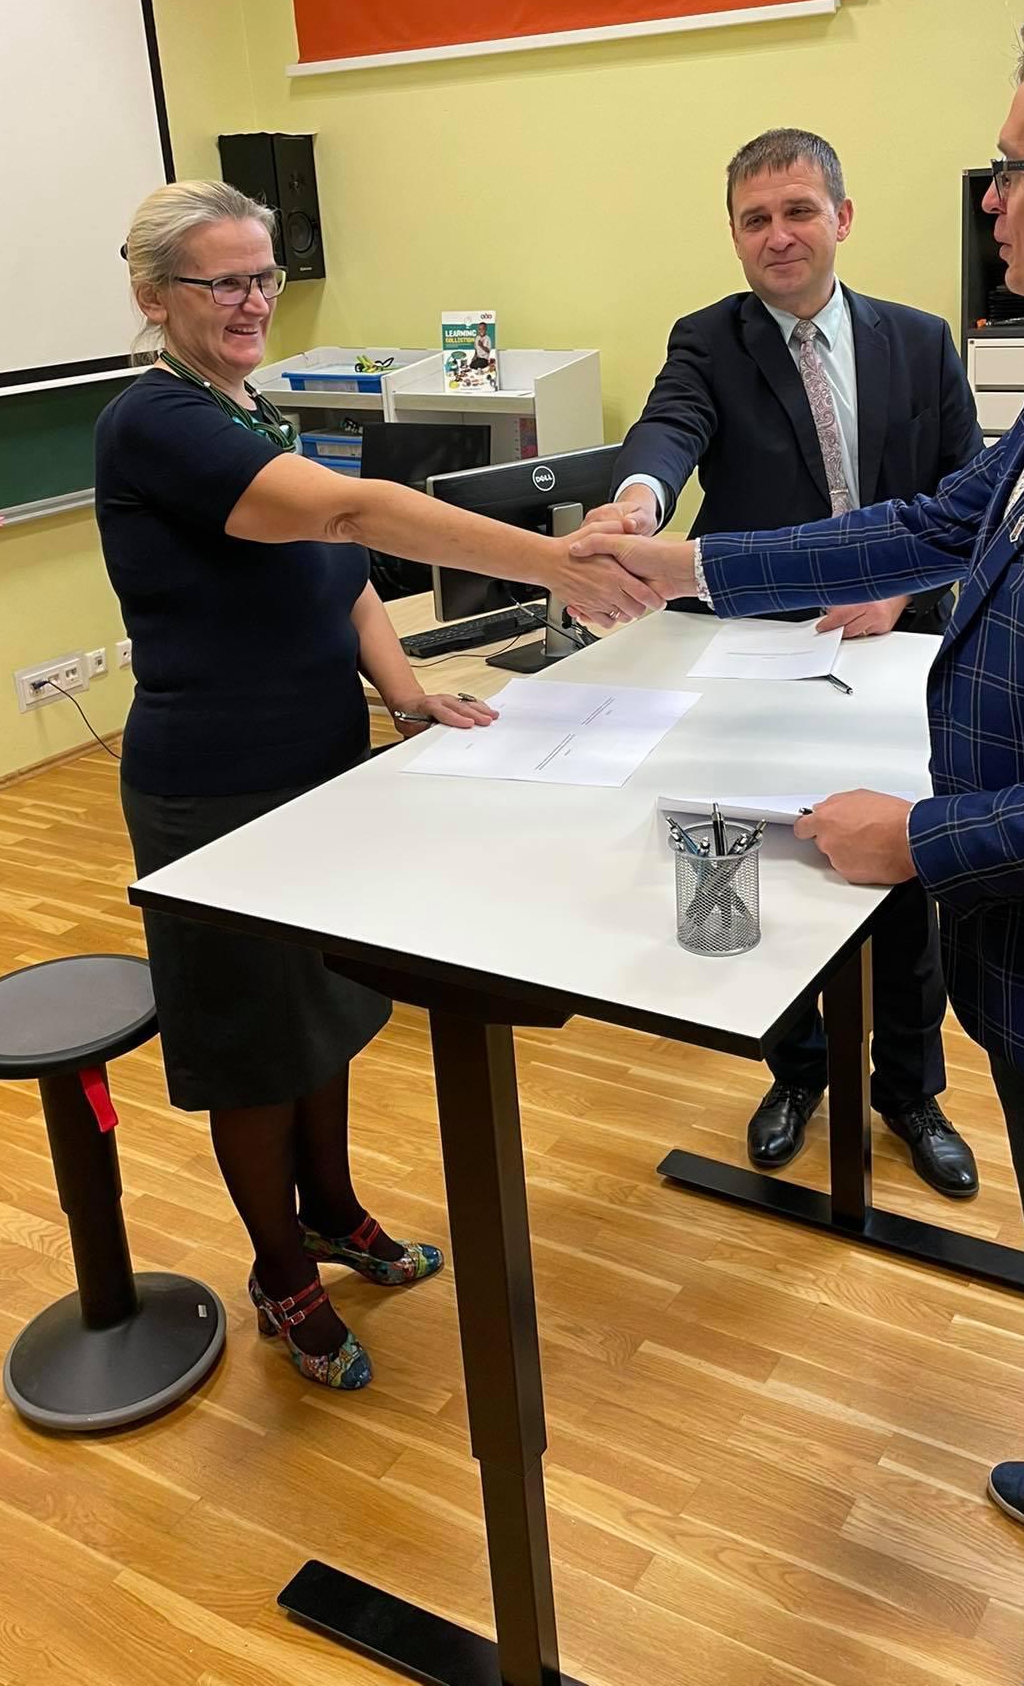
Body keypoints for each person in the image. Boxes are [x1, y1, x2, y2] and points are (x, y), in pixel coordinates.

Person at [575, 1, 1024, 1686]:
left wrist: (917, 839)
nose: (988, 195)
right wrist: (691, 567)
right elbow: (933, 523)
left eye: (1012, 165)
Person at [96, 180, 656, 1394]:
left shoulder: (246, 408)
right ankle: (281, 1272)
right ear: (153, 295)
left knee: (326, 1011)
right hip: (216, 788)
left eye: (262, 277)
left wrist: (405, 695)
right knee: (257, 1045)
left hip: (317, 766)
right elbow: (354, 508)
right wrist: (554, 560)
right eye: (223, 282)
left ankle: (336, 1210)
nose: (253, 301)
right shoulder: (156, 423)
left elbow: (340, 565)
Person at [587, 128, 984, 1198]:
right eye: (755, 218)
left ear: (841, 218)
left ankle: (910, 1090)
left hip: (895, 644)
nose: (778, 235)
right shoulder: (708, 340)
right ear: (734, 235)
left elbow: (968, 489)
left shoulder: (919, 340)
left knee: (901, 873)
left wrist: (898, 585)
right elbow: (667, 430)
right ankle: (798, 1071)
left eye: (799, 210)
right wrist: (639, 503)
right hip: (761, 652)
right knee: (772, 855)